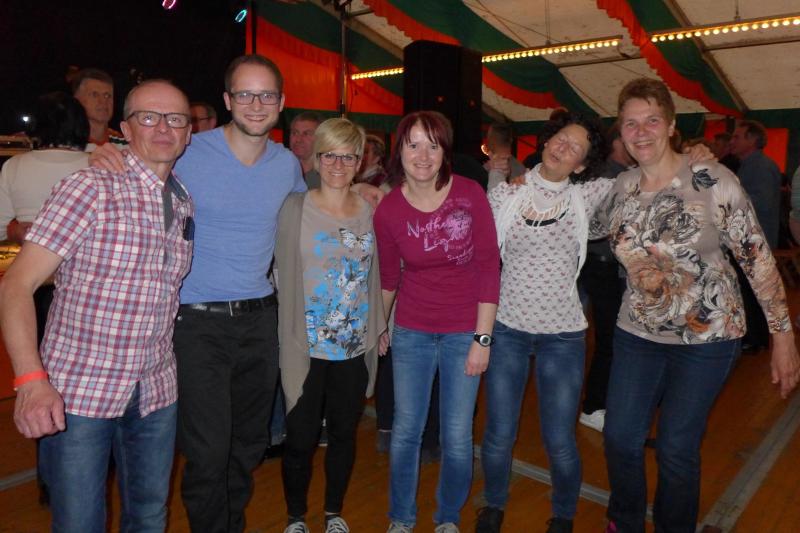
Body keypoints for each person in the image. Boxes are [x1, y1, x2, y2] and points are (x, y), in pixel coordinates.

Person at [89, 55, 381, 532]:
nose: (256, 103)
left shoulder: (286, 165)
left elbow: (320, 202)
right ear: (227, 100)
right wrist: (103, 153)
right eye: (245, 94)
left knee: (248, 445)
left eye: (266, 95)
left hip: (260, 320)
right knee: (207, 452)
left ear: (281, 103)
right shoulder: (189, 149)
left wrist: (365, 192)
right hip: (197, 322)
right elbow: (137, 159)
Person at [599, 77, 800, 533]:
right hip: (637, 331)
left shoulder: (713, 180)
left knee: (676, 446)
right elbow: (582, 224)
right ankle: (625, 521)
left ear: (671, 125)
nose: (641, 131)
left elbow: (757, 260)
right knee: (620, 437)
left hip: (707, 336)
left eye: (652, 120)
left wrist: (783, 337)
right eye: (630, 123)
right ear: (620, 132)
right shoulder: (621, 188)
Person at [0, 79, 194, 532]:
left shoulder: (184, 200)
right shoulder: (89, 188)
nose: (163, 128)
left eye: (175, 119)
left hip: (156, 391)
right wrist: (30, 381)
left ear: (188, 133)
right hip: (80, 393)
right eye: (149, 117)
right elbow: (16, 285)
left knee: (149, 516)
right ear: (125, 128)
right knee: (79, 523)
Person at [478, 112, 611, 533]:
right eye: (560, 138)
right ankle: (493, 503)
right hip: (507, 329)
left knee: (559, 438)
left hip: (562, 336)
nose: (563, 147)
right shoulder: (507, 194)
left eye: (576, 147)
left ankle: (563, 514)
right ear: (547, 141)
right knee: (499, 433)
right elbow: (483, 253)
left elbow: (645, 174)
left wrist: (693, 157)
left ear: (582, 164)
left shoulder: (589, 194)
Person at [374, 110, 501, 533]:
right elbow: (388, 277)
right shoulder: (389, 210)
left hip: (464, 330)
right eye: (413, 145)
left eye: (433, 145)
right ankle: (401, 517)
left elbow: (489, 266)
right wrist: (380, 324)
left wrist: (483, 338)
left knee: (457, 435)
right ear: (399, 151)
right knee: (406, 430)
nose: (423, 155)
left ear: (445, 150)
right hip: (412, 330)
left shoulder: (469, 193)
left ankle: (448, 517)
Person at [275, 118, 386, 533]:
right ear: (317, 158)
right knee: (300, 438)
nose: (338, 165)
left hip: (353, 346)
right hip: (304, 345)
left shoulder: (372, 210)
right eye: (330, 155)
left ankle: (333, 513)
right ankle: (295, 517)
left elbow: (381, 272)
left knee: (343, 434)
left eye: (348, 156)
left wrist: (381, 324)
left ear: (359, 161)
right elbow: (274, 267)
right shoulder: (293, 208)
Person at [576, 124, 632, 433]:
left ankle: (603, 401)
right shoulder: (609, 176)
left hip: (606, 266)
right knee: (609, 338)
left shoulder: (620, 173)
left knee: (611, 338)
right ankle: (594, 405)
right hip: (602, 265)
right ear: (616, 142)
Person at [71, 68, 125, 151]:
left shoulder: (124, 145)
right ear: (77, 100)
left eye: (107, 95)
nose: (103, 101)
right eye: (95, 95)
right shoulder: (66, 145)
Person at [484, 123, 526, 192]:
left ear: (492, 140)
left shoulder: (483, 170)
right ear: (511, 140)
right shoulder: (521, 169)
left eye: (488, 136)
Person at [290, 111, 324, 188]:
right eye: (295, 133)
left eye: (306, 134)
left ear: (321, 138)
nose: (298, 139)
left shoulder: (328, 176)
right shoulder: (276, 168)